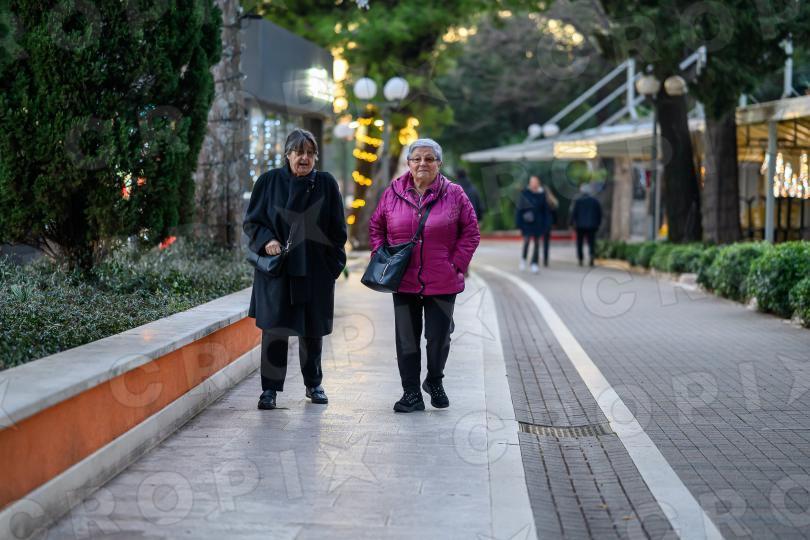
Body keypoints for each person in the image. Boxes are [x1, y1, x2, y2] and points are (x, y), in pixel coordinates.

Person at [369, 138, 480, 413]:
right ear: (408, 163)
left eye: (429, 159)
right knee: (407, 339)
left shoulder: (455, 194)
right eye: (417, 158)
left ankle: (434, 380)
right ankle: (411, 393)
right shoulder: (393, 192)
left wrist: (456, 264)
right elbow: (376, 226)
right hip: (403, 279)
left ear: (438, 163)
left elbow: (471, 231)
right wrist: (382, 257)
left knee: (439, 338)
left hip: (442, 280)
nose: (423, 163)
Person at [243, 128, 347, 410]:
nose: (305, 158)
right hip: (278, 271)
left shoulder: (326, 183)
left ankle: (314, 384)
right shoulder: (268, 181)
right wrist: (267, 241)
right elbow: (252, 222)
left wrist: (332, 266)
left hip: (315, 271)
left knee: (312, 331)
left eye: (310, 153)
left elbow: (339, 229)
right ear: (287, 154)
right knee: (274, 331)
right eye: (299, 152)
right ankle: (269, 390)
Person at [515, 175, 555, 272]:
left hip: (538, 223)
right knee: (527, 241)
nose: (534, 184)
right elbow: (519, 209)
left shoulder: (542, 194)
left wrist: (546, 223)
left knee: (537, 243)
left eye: (535, 182)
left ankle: (534, 263)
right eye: (532, 182)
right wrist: (519, 223)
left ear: (538, 183)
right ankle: (523, 260)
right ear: (530, 183)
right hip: (527, 222)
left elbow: (545, 211)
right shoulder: (525, 193)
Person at [569, 183, 603, 267]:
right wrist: (598, 223)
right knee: (591, 243)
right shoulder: (595, 201)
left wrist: (571, 223)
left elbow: (574, 213)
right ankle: (591, 256)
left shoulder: (578, 201)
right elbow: (599, 213)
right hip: (592, 226)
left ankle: (580, 258)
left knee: (579, 243)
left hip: (580, 226)